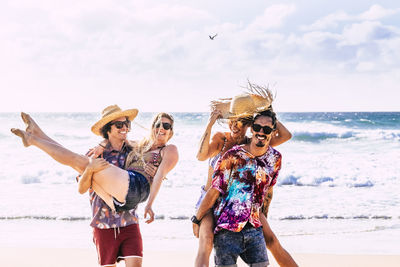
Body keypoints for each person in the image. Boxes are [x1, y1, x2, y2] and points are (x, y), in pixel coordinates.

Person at [11, 106, 179, 267]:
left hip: (129, 216)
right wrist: (96, 157)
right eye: (119, 125)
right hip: (104, 219)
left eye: (126, 124)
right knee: (79, 162)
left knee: (77, 161)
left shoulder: (138, 149)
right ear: (108, 129)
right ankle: (37, 135)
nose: (124, 128)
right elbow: (81, 189)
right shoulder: (104, 152)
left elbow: (157, 171)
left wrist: (152, 194)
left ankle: (34, 138)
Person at [194, 84, 297, 267]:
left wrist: (267, 112)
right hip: (211, 199)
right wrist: (210, 124)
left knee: (271, 240)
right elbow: (201, 156)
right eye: (231, 120)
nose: (234, 125)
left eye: (240, 121)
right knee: (206, 241)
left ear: (249, 124)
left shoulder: (255, 141)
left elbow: (285, 135)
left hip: (243, 202)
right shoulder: (222, 139)